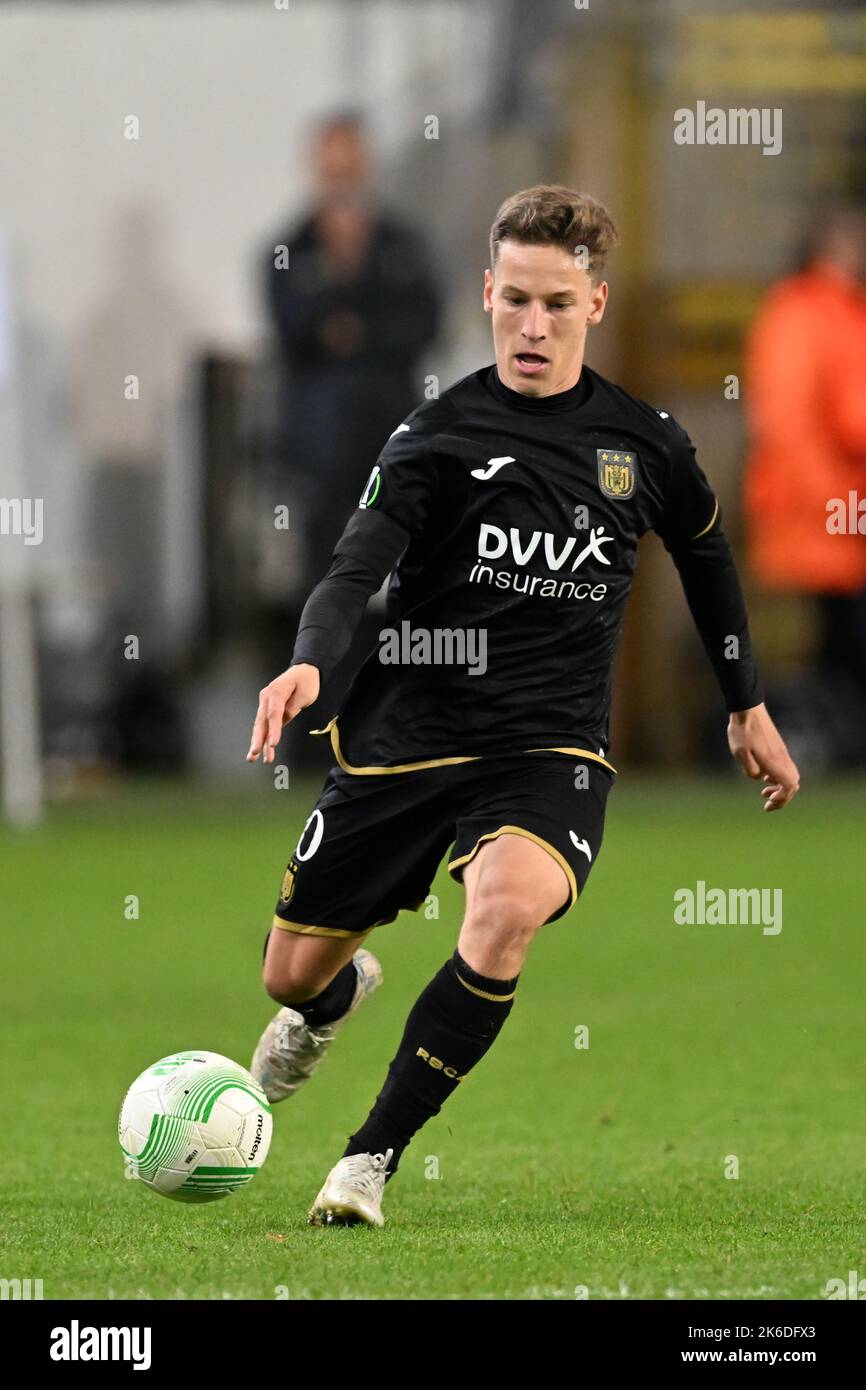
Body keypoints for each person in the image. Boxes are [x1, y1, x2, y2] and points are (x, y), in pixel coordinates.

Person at [247, 185, 800, 1228]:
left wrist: (745, 703)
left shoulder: (643, 445)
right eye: (514, 302)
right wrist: (310, 660)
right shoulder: (438, 433)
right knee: (288, 973)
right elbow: (353, 562)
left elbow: (704, 553)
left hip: (547, 748)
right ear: (487, 294)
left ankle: (368, 1159)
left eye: (555, 304)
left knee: (502, 910)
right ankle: (330, 1001)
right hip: (406, 736)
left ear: (593, 303)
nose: (532, 327)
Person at [263, 112, 440, 678]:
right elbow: (294, 325)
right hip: (319, 459)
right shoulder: (289, 249)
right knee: (323, 585)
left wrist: (351, 330)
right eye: (332, 164)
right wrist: (356, 324)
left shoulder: (402, 245)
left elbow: (421, 324)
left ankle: (388, 725)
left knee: (398, 582)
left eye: (352, 163)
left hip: (390, 449)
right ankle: (315, 726)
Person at [743, 205, 866, 730]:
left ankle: (839, 735)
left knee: (842, 638)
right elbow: (791, 423)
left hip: (840, 506)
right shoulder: (799, 313)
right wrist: (837, 504)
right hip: (820, 510)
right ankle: (831, 735)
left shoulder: (844, 311)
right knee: (843, 634)